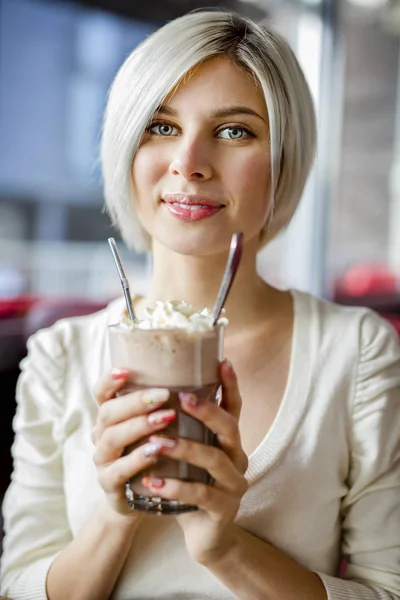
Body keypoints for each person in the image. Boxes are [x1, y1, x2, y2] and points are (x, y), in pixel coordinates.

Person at [1, 10, 399, 600]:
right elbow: (18, 587)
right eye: (160, 126)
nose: (188, 162)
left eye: (235, 130)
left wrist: (223, 546)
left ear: (284, 159)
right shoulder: (59, 355)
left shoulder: (356, 352)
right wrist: (115, 516)